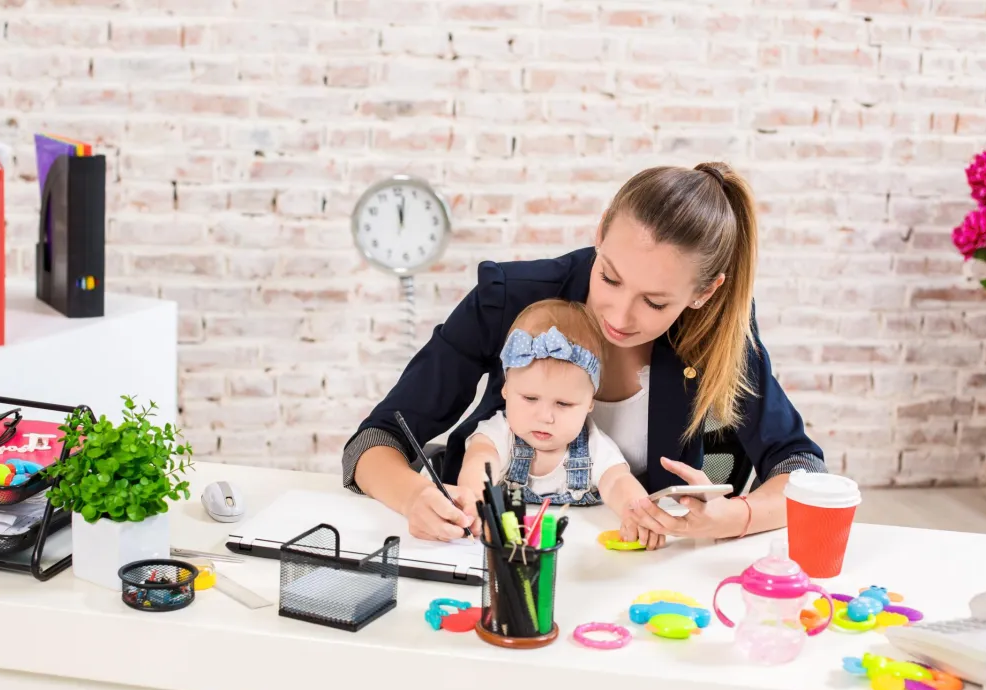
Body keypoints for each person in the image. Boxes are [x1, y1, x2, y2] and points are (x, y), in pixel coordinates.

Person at [343, 162, 826, 546]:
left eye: (655, 302)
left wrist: (735, 517)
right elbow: (373, 442)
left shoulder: (719, 332)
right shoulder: (509, 298)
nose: (618, 314)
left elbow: (802, 469)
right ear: (600, 232)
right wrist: (416, 498)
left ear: (703, 292)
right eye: (610, 276)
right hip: (480, 544)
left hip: (621, 558)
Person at [457, 298, 651, 539]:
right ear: (506, 389)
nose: (545, 417)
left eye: (563, 404)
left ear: (590, 403)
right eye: (530, 398)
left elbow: (618, 481)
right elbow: (481, 458)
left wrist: (637, 513)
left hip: (577, 547)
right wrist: (475, 497)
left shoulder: (592, 444)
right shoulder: (501, 433)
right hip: (513, 546)